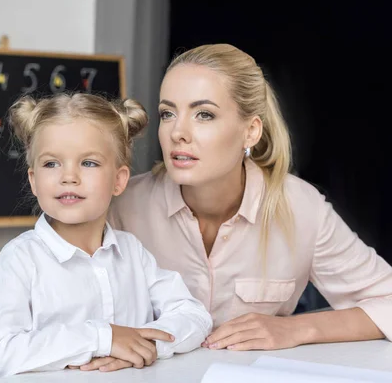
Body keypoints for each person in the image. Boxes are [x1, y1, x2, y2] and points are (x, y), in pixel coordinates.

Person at [107, 43, 392, 354]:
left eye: (204, 114)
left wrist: (296, 328)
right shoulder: (121, 207)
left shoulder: (301, 208)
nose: (178, 132)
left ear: (251, 131)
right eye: (168, 113)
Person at [0, 93, 212, 380]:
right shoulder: (21, 260)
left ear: (119, 180)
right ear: (34, 180)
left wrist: (141, 344)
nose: (69, 176)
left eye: (88, 163)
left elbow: (195, 317)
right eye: (51, 164)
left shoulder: (132, 252)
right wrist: (103, 338)